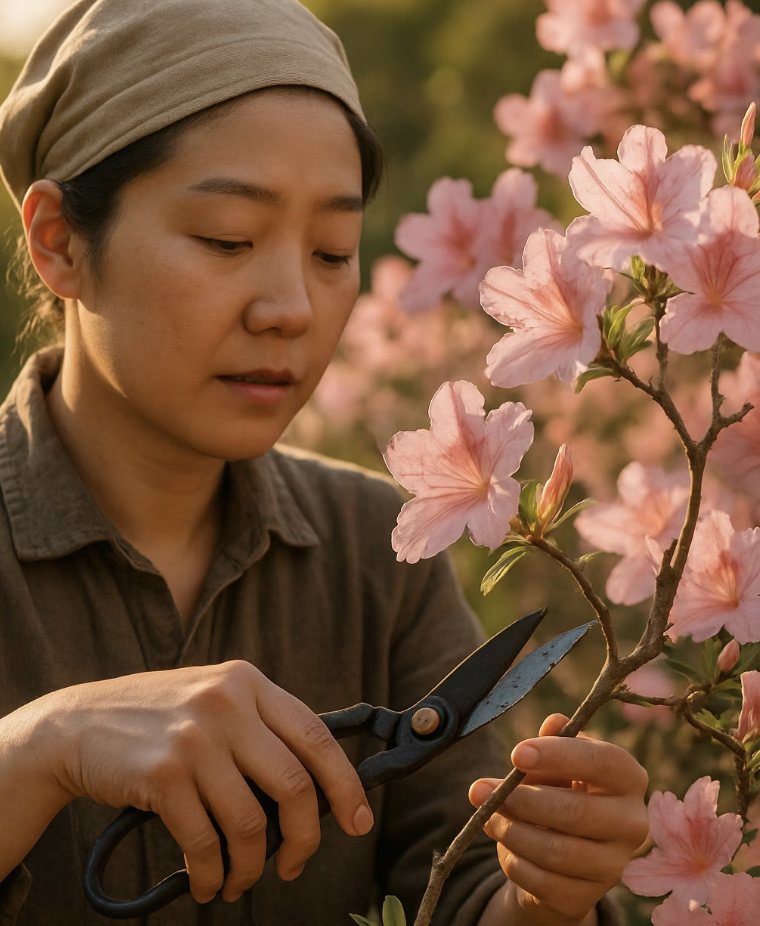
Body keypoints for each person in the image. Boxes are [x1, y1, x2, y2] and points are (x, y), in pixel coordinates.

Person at [0, 1, 648, 924]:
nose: (292, 308)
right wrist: (39, 749)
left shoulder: (376, 556)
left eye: (333, 251)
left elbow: (461, 890)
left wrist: (551, 890)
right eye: (228, 238)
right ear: (58, 239)